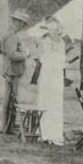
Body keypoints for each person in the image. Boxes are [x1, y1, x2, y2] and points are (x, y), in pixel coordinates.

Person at [0, 9, 31, 133]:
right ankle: (7, 127)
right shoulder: (12, 36)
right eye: (21, 23)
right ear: (18, 22)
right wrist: (25, 54)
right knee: (11, 99)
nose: (22, 26)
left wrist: (6, 55)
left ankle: (8, 126)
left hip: (10, 70)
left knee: (10, 98)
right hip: (12, 71)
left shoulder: (7, 34)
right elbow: (12, 55)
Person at [34, 17, 66, 146]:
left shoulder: (59, 42)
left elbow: (46, 59)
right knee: (47, 102)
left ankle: (53, 134)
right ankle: (45, 133)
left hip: (54, 76)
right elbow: (43, 58)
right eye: (51, 29)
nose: (54, 32)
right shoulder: (47, 41)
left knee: (54, 104)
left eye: (55, 29)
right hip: (49, 75)